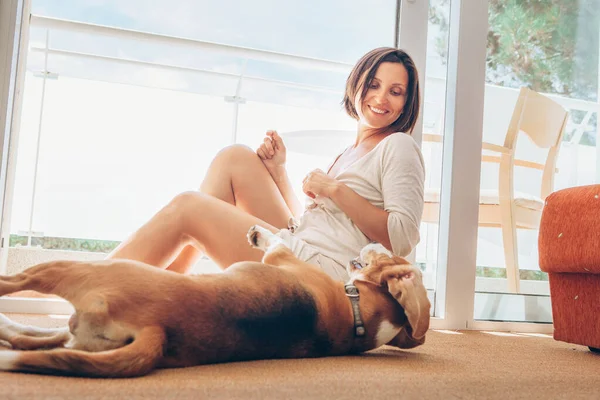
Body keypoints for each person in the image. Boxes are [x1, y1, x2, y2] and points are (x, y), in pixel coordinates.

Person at [107, 47, 425, 282]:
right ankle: (167, 283)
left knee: (188, 207)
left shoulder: (398, 145)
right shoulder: (348, 152)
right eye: (374, 85)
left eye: (395, 92)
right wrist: (279, 172)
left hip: (326, 275)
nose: (381, 98)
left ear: (406, 103)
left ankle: (92, 281)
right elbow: (309, 227)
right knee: (235, 157)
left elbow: (401, 238)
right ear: (357, 83)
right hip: (303, 249)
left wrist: (333, 188)